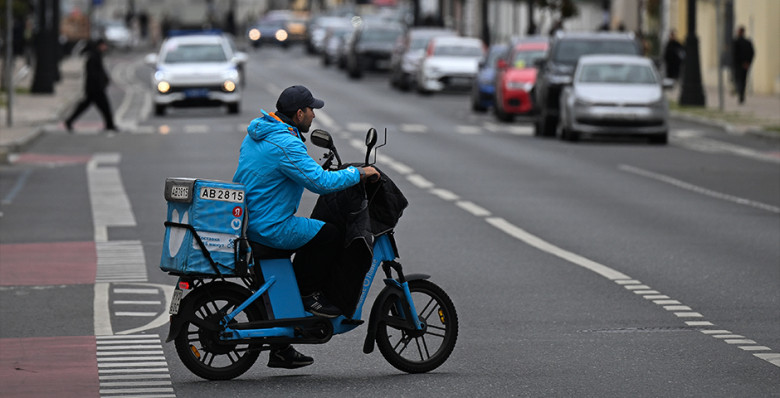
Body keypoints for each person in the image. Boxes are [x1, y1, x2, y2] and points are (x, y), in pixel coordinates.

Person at [232, 85, 380, 369]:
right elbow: (319, 182)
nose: (314, 115)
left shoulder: (260, 132)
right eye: (311, 110)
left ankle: (281, 347)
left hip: (250, 221)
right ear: (299, 114)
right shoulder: (285, 144)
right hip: (270, 226)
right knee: (329, 234)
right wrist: (358, 173)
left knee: (312, 233)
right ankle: (308, 295)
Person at [65, 39, 117, 132]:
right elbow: (94, 74)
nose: (106, 47)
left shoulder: (96, 55)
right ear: (100, 45)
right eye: (104, 45)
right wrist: (101, 83)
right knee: (105, 107)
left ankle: (69, 121)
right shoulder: (94, 56)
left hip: (93, 88)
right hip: (96, 89)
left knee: (84, 106)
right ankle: (110, 125)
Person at [732, 26, 755, 105]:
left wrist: (742, 62)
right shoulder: (747, 42)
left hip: (738, 65)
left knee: (738, 80)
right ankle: (741, 94)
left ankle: (740, 93)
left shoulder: (736, 42)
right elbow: (752, 53)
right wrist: (748, 62)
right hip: (745, 65)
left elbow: (734, 54)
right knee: (743, 80)